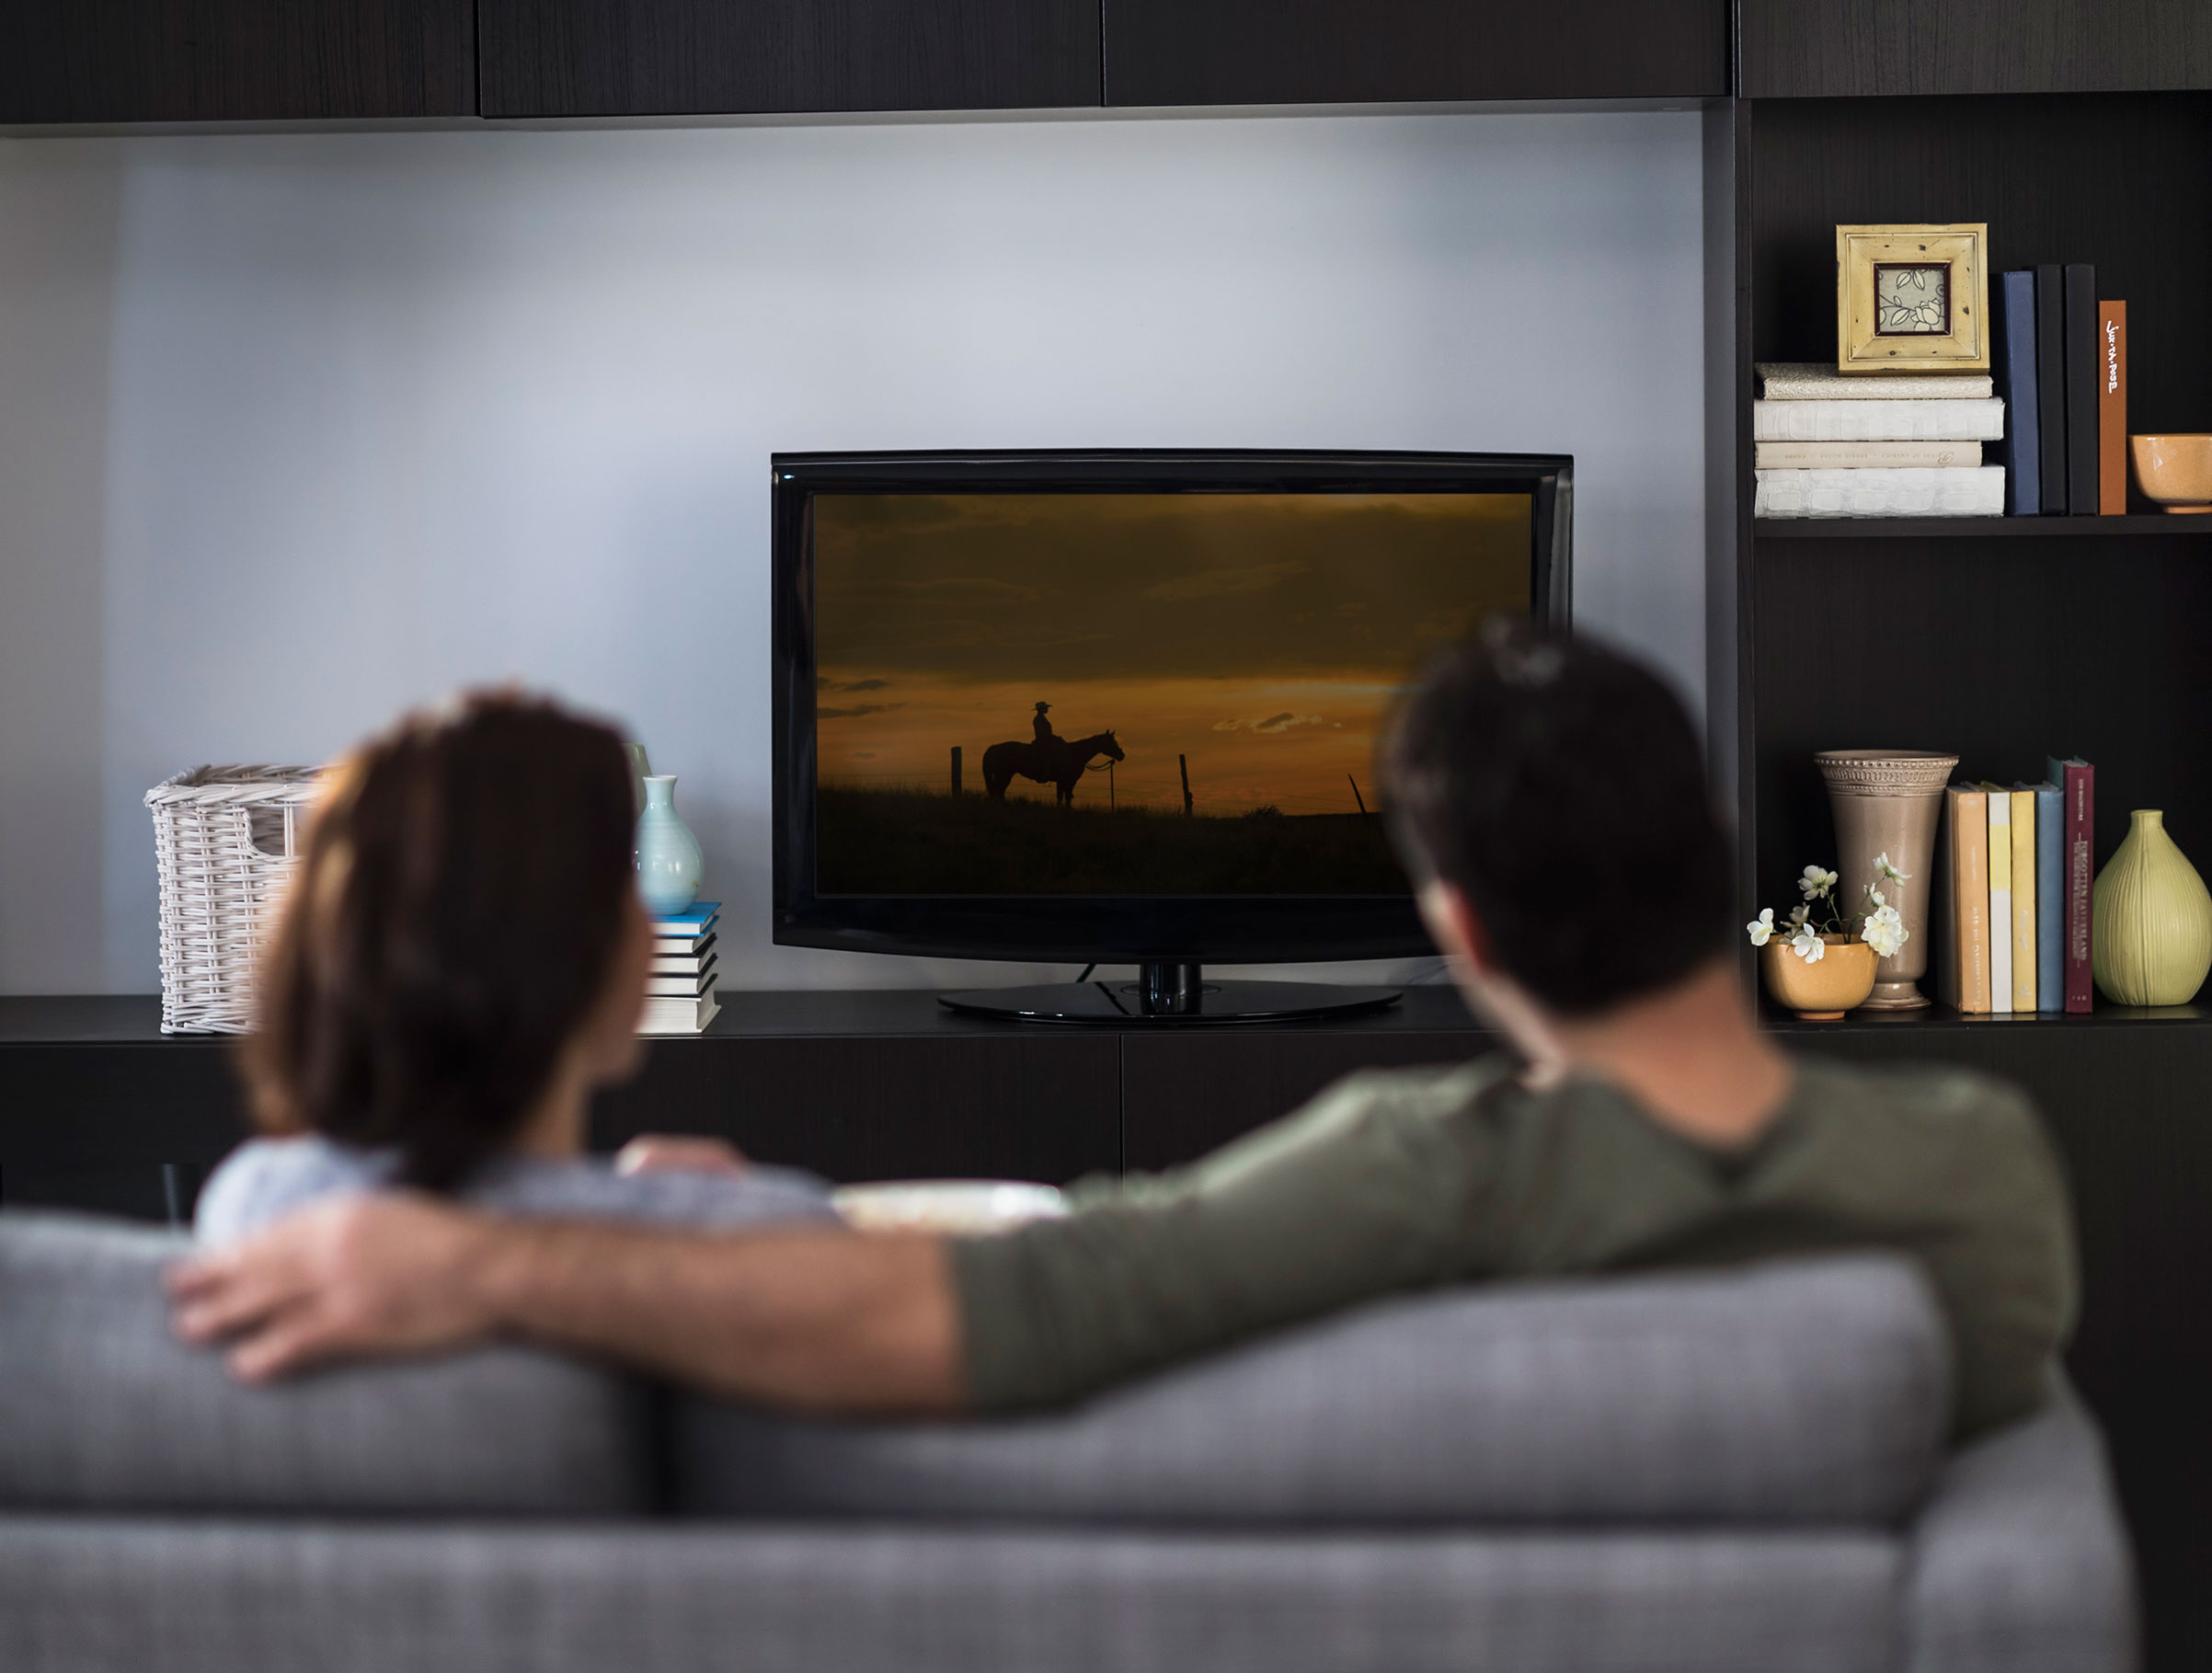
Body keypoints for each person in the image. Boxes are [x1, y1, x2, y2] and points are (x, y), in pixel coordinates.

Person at [170, 624, 2076, 1439]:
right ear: (1712, 856)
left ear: (1456, 923)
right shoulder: (1979, 1177)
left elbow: (1010, 1314)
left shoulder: (1397, 1176)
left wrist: (487, 1251)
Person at [192, 691, 837, 1246]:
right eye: (624, 883)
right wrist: (681, 1207)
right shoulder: (755, 1233)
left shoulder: (251, 1209)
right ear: (592, 954)